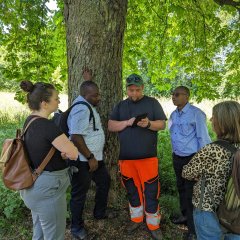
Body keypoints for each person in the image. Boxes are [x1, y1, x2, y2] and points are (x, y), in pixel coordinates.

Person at [108, 73, 167, 240]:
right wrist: (127, 122)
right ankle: (136, 219)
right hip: (126, 160)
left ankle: (153, 225)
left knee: (151, 192)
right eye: (131, 90)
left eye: (137, 90)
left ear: (143, 88)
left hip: (148, 159)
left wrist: (148, 124)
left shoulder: (152, 103)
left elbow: (162, 124)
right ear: (126, 89)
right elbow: (111, 125)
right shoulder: (121, 105)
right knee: (132, 191)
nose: (134, 93)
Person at [19, 80, 78, 240]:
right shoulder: (48, 126)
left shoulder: (29, 121)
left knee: (39, 233)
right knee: (54, 236)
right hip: (48, 191)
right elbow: (73, 153)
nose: (59, 101)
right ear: (44, 103)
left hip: (32, 186)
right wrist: (69, 150)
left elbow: (41, 149)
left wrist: (62, 152)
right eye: (56, 98)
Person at [182, 101, 240, 240]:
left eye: (214, 117)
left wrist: (200, 175)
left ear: (223, 123)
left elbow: (187, 172)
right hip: (235, 211)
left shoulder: (212, 150)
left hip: (208, 210)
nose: (211, 119)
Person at [67, 69, 112, 240]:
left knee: (105, 181)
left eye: (98, 94)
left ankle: (99, 213)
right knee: (79, 194)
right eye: (95, 95)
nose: (99, 98)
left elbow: (86, 90)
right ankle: (76, 228)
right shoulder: (82, 110)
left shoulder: (86, 103)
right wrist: (90, 157)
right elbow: (76, 137)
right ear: (86, 96)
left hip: (95, 159)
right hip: (84, 160)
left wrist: (88, 80)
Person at [169, 86, 211, 240]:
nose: (173, 97)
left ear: (186, 96)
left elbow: (203, 140)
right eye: (172, 94)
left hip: (192, 159)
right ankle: (185, 217)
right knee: (180, 188)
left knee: (190, 193)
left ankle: (193, 231)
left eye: (177, 94)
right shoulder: (174, 114)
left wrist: (201, 163)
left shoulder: (196, 114)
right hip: (177, 158)